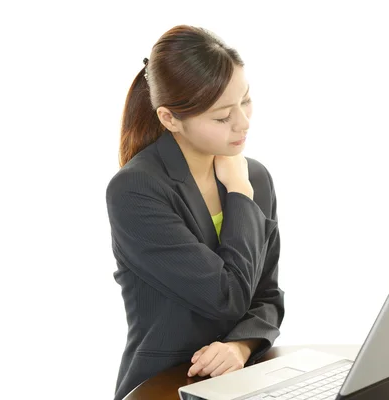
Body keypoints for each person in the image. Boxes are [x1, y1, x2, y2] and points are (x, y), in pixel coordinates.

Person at [105, 25, 285, 400]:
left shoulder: (255, 176)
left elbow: (267, 296)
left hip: (242, 382)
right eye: (222, 117)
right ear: (170, 119)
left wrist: (240, 347)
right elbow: (228, 298)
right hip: (166, 385)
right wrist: (239, 194)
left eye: (246, 101)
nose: (244, 123)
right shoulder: (135, 190)